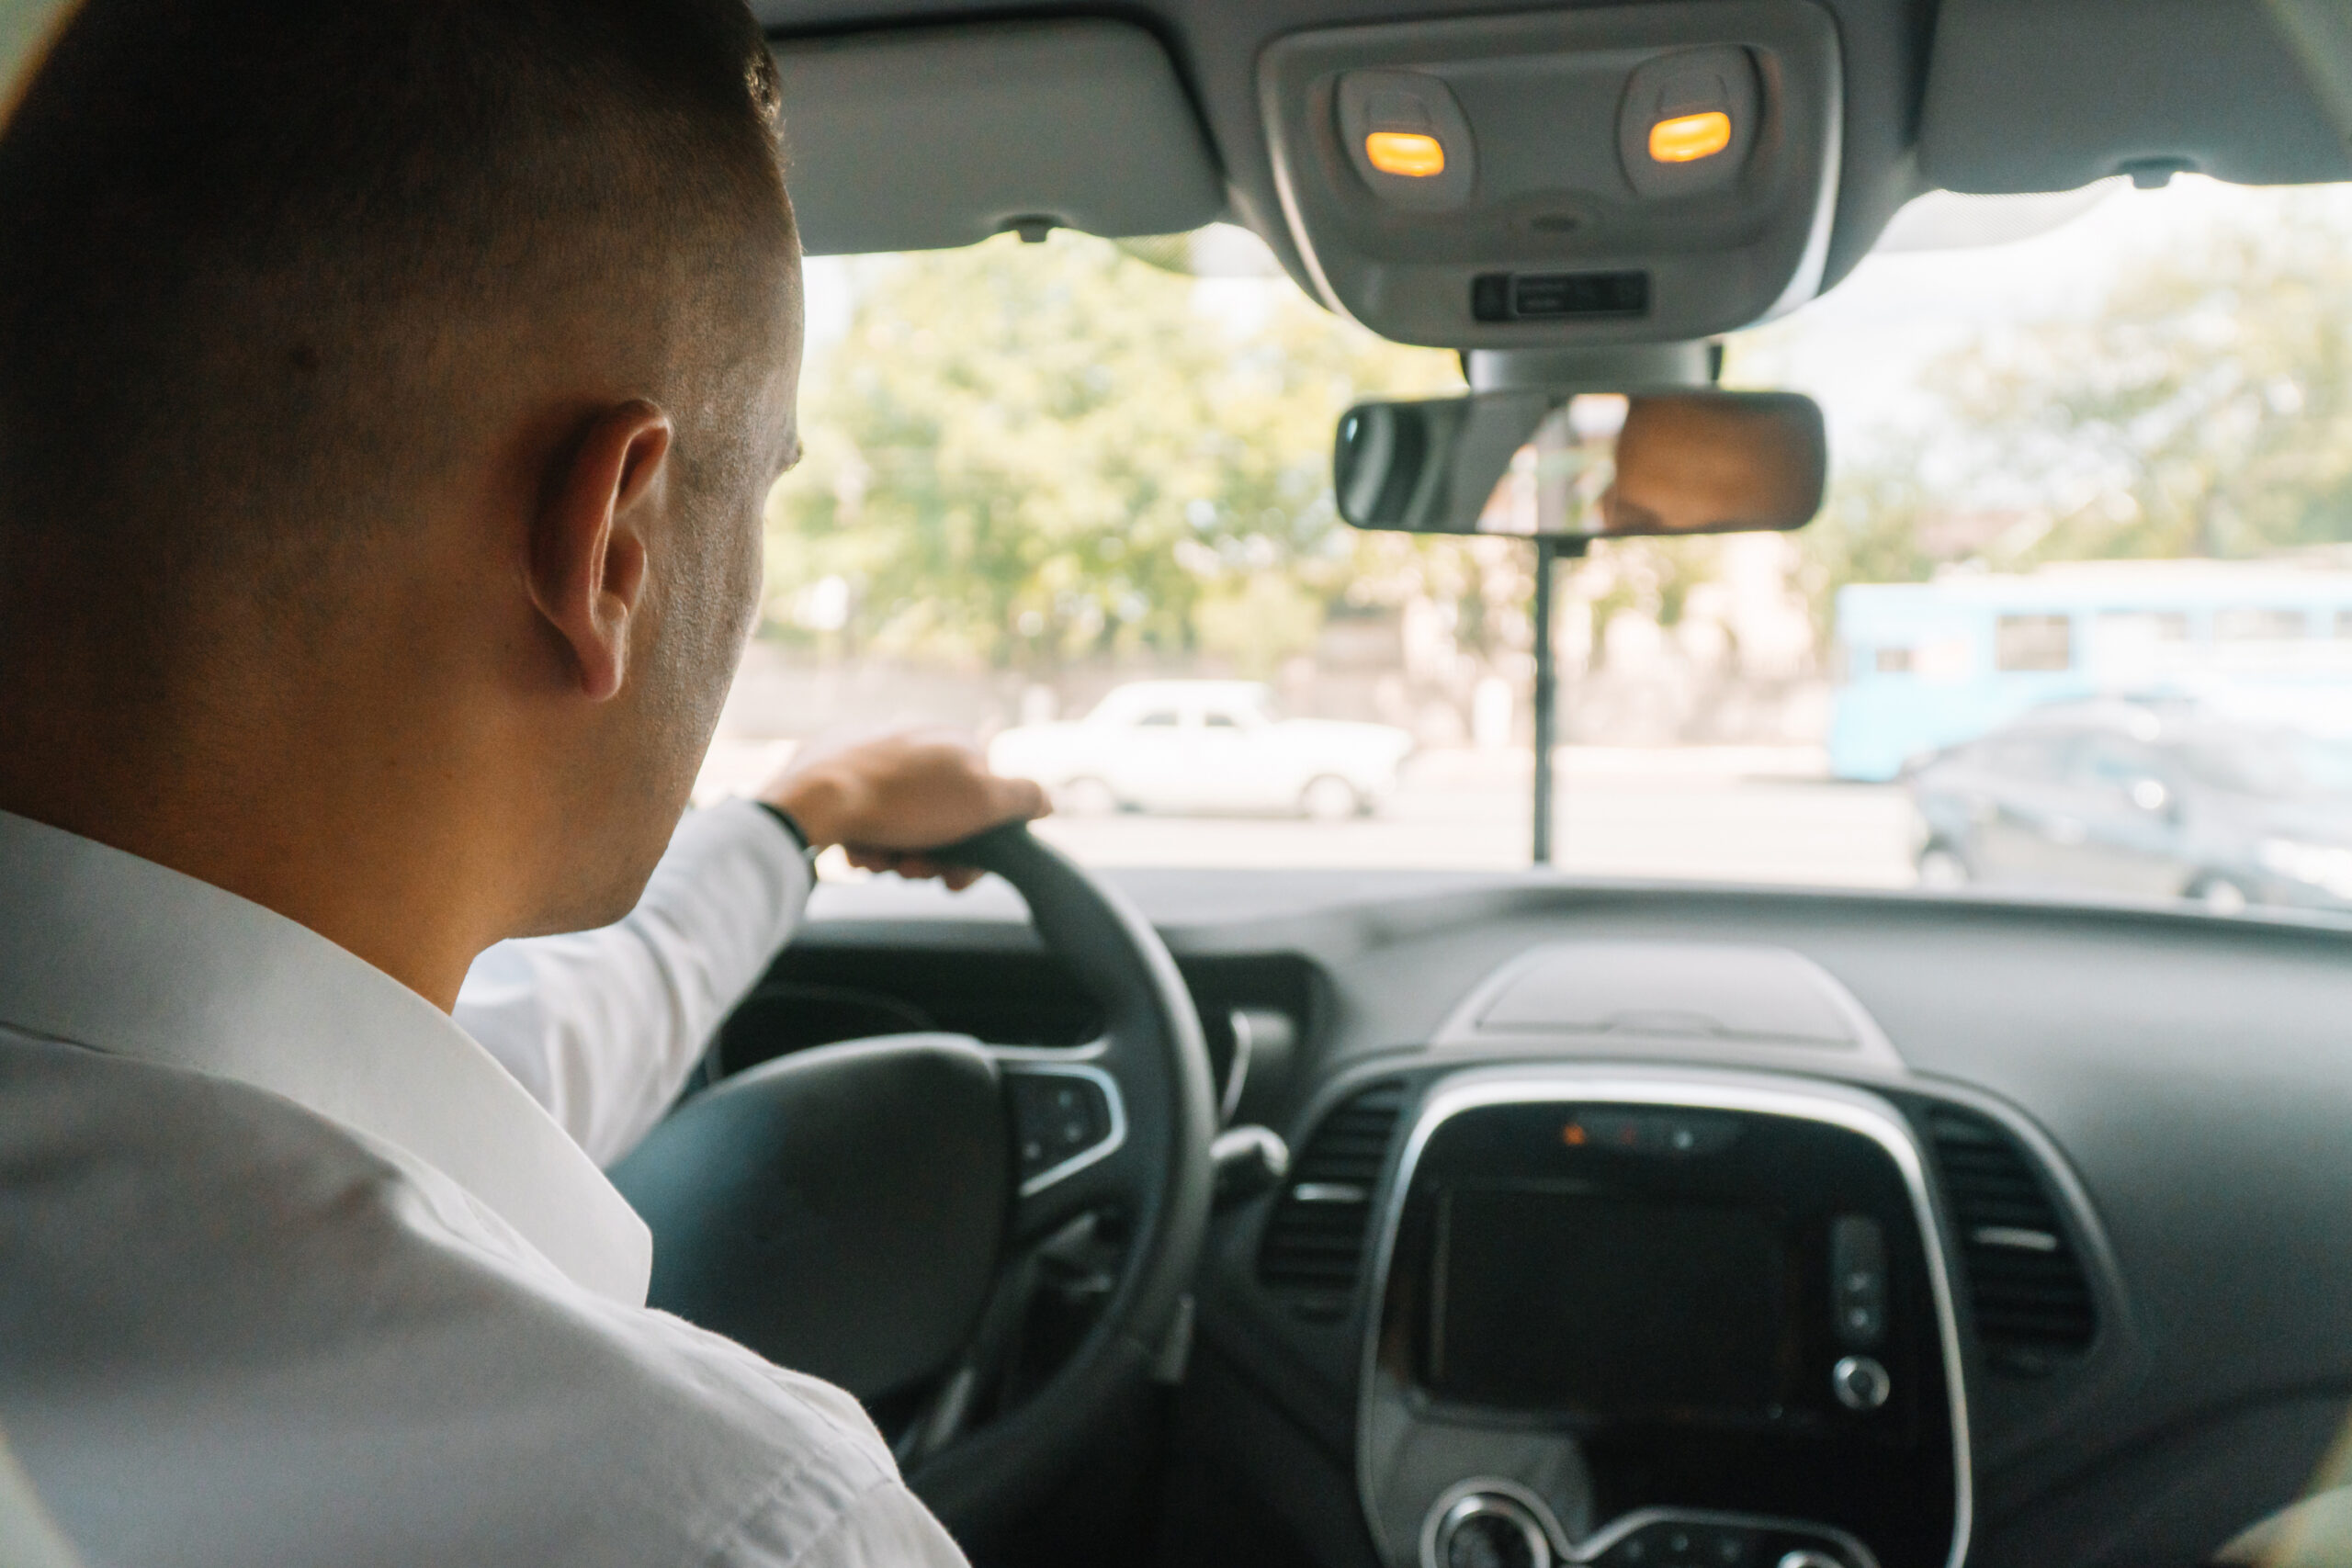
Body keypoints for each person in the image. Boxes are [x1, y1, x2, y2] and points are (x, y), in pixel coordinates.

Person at [0, 1, 1035, 1562]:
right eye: (757, 494)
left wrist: (797, 824)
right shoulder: (728, 1519)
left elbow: (486, 1072)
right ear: (609, 542)